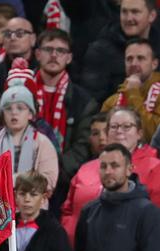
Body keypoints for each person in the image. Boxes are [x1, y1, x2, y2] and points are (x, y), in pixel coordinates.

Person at [61, 107, 160, 244]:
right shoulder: (86, 168)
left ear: (139, 133)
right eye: (114, 126)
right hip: (82, 250)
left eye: (126, 126)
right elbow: (68, 210)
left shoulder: (154, 167)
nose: (119, 131)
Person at [33, 28, 98, 178]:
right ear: (37, 54)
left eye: (61, 51)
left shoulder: (84, 101)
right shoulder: (21, 91)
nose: (54, 55)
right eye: (48, 49)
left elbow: (83, 146)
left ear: (69, 58)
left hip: (62, 180)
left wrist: (54, 172)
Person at [0, 79, 59, 197]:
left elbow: (48, 180)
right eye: (8, 108)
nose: (14, 113)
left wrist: (15, 181)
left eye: (20, 108)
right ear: (2, 114)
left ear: (30, 114)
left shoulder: (42, 142)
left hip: (34, 209)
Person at [81, 0, 160, 103]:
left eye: (135, 12)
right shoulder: (101, 52)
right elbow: (91, 102)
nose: (129, 18)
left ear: (152, 16)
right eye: (124, 12)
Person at [101, 38, 160, 143]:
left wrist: (133, 93)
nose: (134, 63)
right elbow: (102, 140)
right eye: (129, 59)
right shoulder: (111, 102)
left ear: (154, 64)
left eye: (141, 58)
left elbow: (153, 137)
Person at [0, 16, 37, 116]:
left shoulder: (43, 72)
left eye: (20, 33)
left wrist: (3, 98)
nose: (12, 38)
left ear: (33, 39)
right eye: (8, 34)